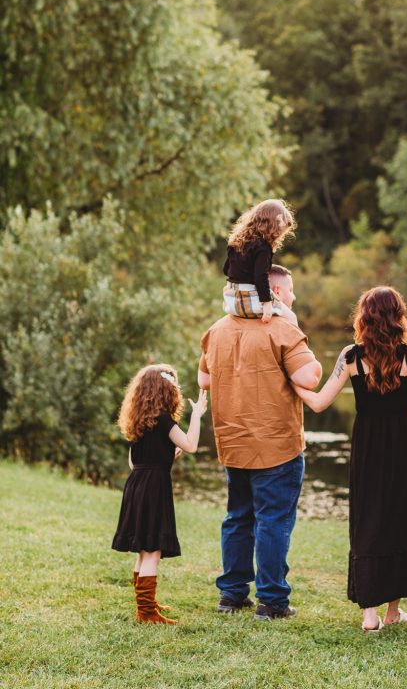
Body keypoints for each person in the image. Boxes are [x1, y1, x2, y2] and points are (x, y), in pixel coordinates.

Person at [294, 286, 407, 632]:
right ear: (397, 316)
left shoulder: (350, 356)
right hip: (404, 446)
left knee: (370, 519)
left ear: (364, 318)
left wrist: (288, 381)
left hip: (368, 447)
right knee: (401, 519)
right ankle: (392, 611)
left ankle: (371, 615)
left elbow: (318, 403)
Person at [198, 266, 321, 621]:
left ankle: (232, 595)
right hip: (276, 445)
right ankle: (272, 601)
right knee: (273, 521)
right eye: (291, 291)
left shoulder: (217, 329)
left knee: (238, 517)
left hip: (232, 440)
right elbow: (308, 378)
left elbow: (203, 379)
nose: (294, 298)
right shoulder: (282, 328)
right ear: (277, 293)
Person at [112, 364, 208, 624]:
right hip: (154, 488)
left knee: (143, 549)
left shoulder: (139, 420)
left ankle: (146, 604)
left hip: (136, 485)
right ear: (167, 389)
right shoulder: (164, 419)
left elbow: (135, 462)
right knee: (152, 549)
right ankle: (146, 613)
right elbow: (191, 445)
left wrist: (166, 454)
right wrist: (197, 414)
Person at [222, 198, 298, 324]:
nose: (280, 236)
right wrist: (267, 305)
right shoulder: (263, 247)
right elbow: (260, 277)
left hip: (231, 301)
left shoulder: (235, 242)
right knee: (291, 318)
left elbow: (226, 270)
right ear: (272, 225)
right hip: (250, 301)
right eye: (280, 232)